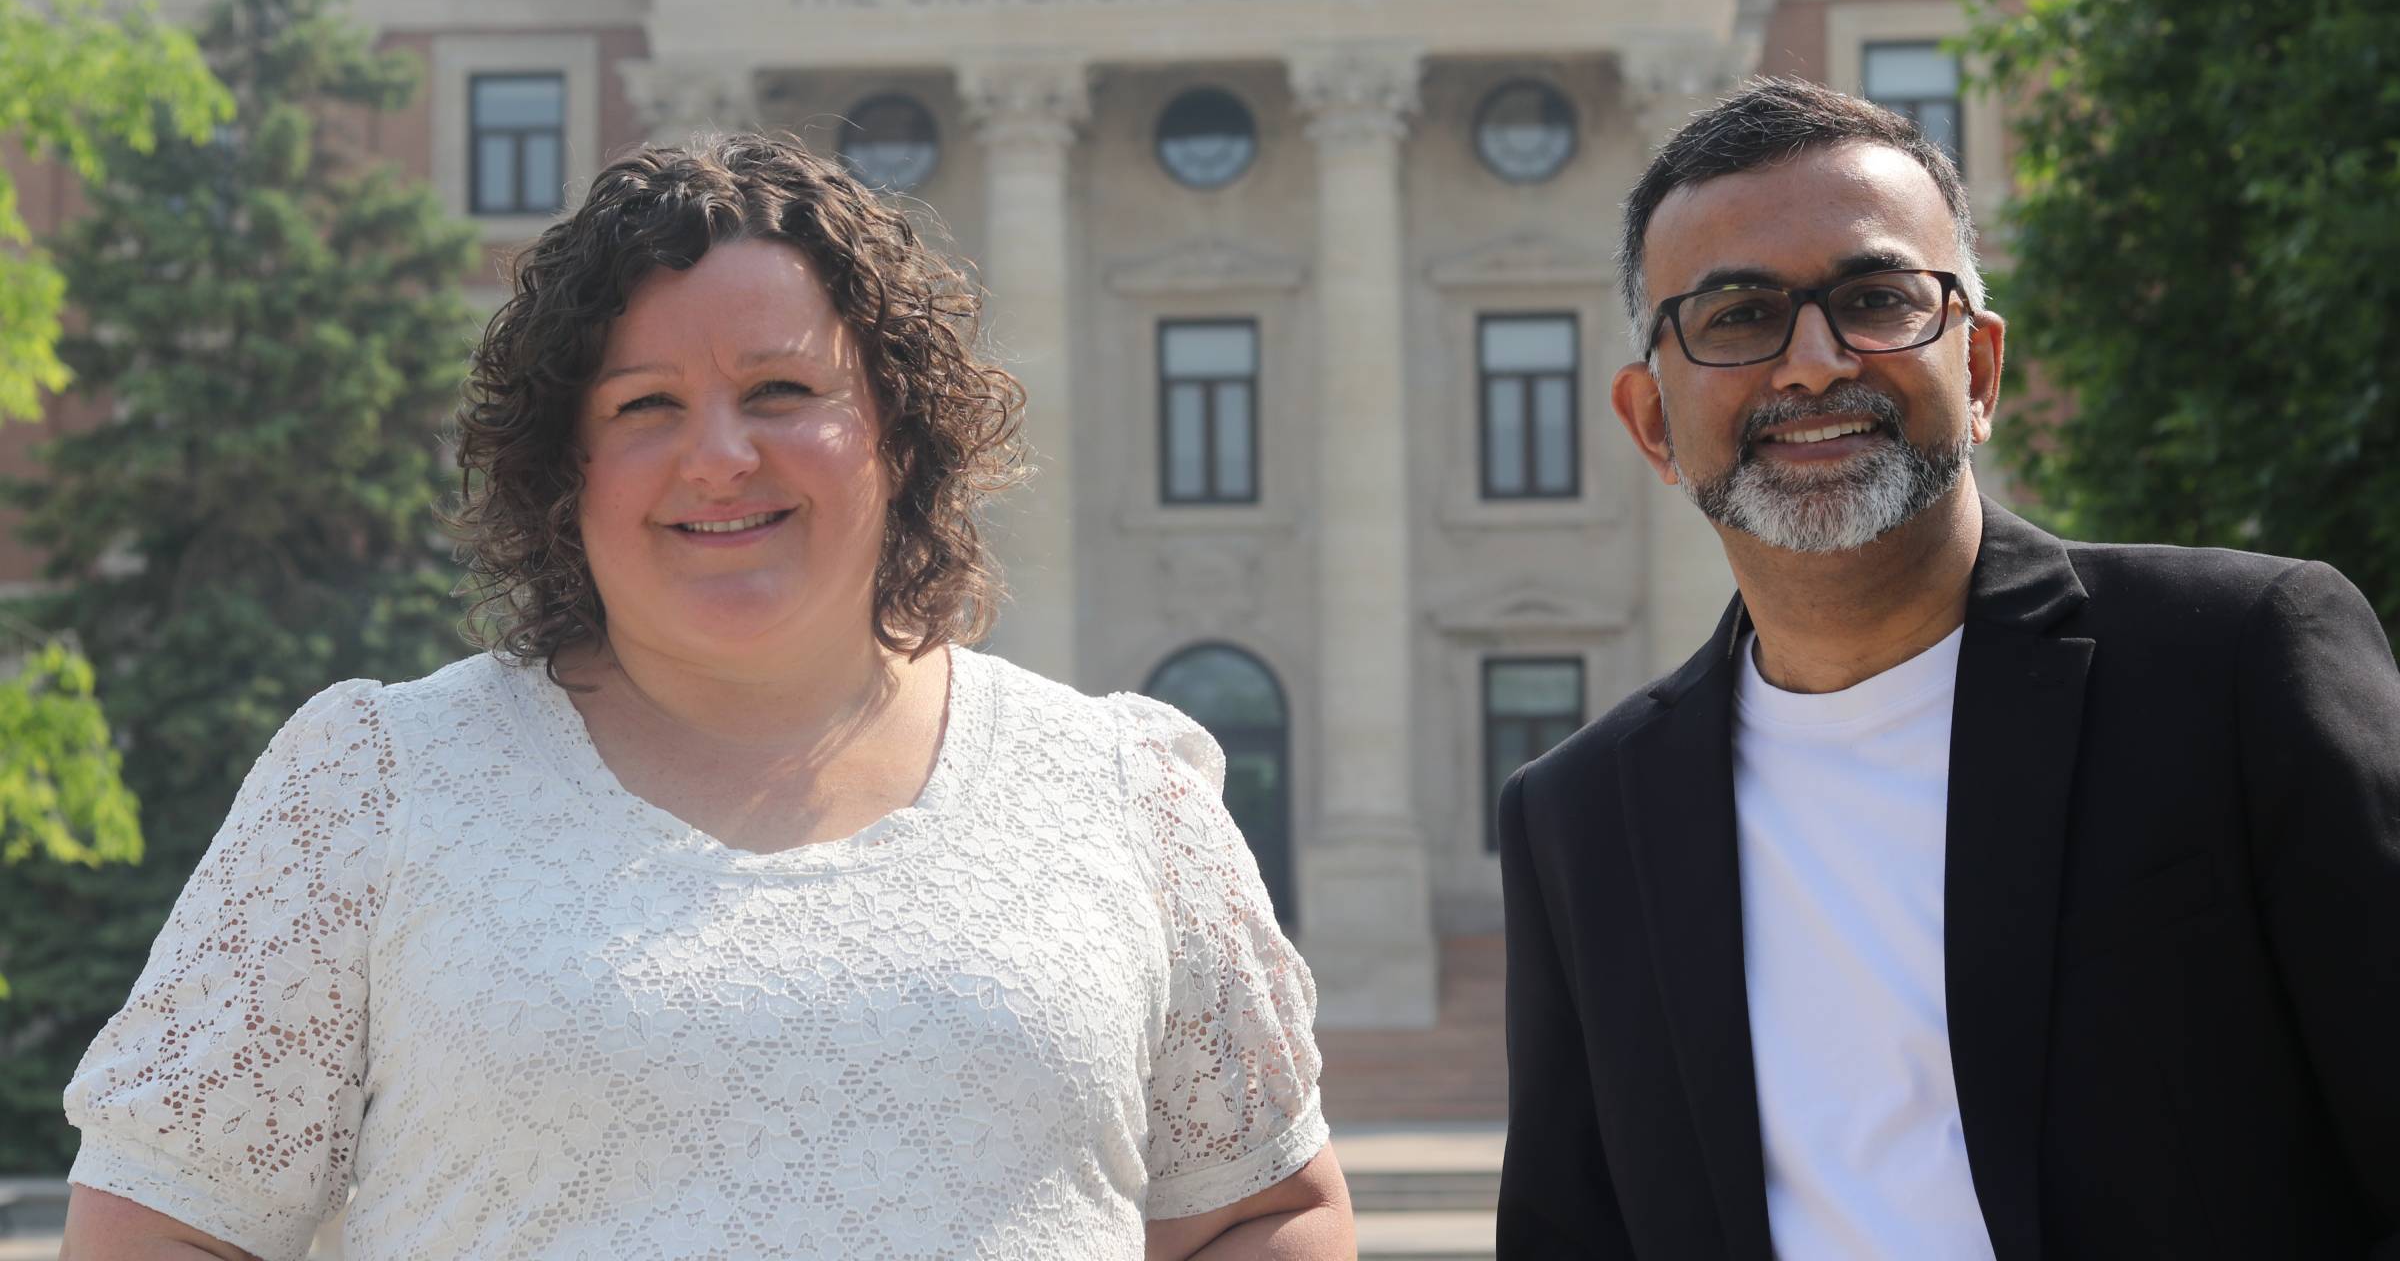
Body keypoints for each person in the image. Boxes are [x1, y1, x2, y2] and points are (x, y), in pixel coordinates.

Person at [60, 134, 1351, 1261]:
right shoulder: (380, 785)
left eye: (783, 392)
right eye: (646, 405)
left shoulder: (1116, 788)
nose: (720, 456)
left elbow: (1260, 1211)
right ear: (566, 467)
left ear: (899, 432)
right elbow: (162, 1226)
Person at [1496, 77, 2400, 1259]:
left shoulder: (2236, 664)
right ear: (1652, 421)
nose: (1814, 363)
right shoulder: (1579, 817)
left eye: (1875, 299)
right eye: (1735, 316)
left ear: (1976, 369)